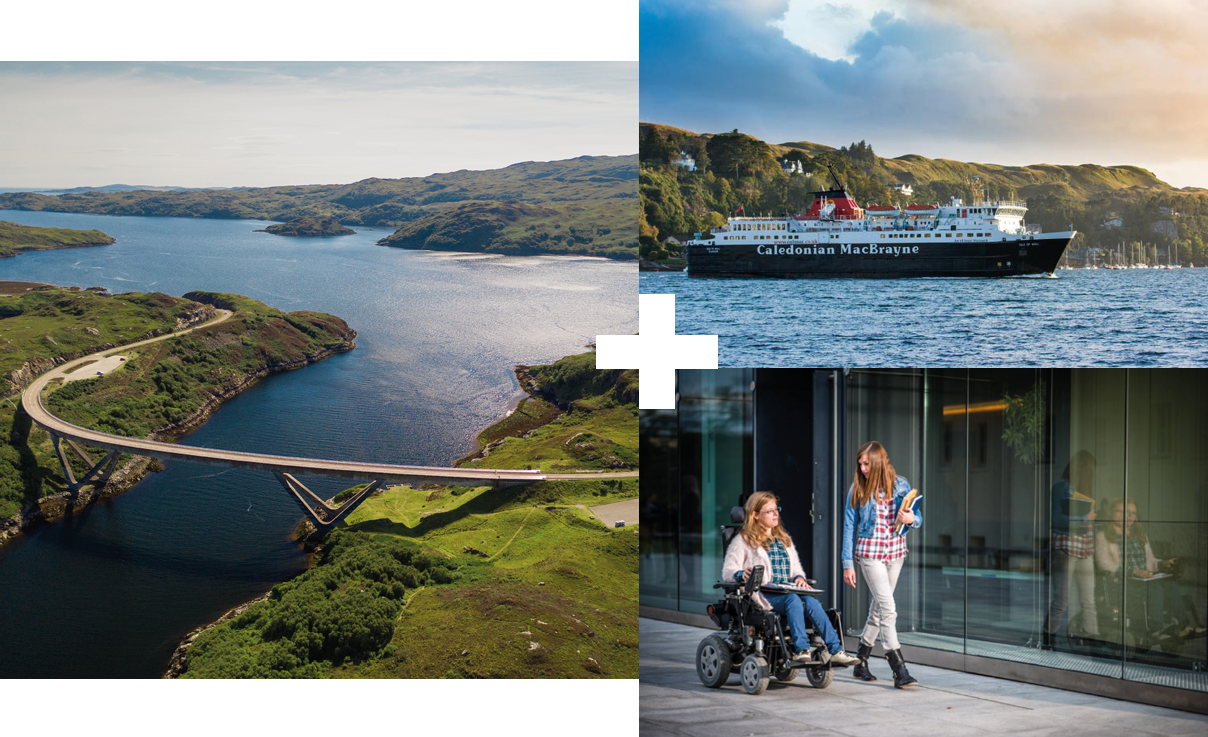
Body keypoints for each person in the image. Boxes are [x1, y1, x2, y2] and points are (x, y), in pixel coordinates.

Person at [722, 491, 859, 667]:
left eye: (776, 509)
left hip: (786, 589)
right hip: (762, 594)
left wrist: (800, 578)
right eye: (769, 511)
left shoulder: (783, 539)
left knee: (811, 602)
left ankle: (836, 651)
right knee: (793, 600)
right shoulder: (743, 540)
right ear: (755, 515)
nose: (776, 513)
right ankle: (801, 649)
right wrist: (741, 574)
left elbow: (795, 569)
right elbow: (728, 570)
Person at [842, 441, 921, 688]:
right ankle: (899, 669)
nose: (863, 468)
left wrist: (911, 519)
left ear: (878, 461)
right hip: (870, 554)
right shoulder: (858, 488)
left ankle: (861, 661)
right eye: (860, 464)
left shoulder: (901, 485)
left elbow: (916, 516)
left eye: (867, 463)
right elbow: (848, 526)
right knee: (888, 609)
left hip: (896, 553)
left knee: (878, 610)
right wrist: (847, 563)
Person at [1094, 497, 1204, 644]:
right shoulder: (1103, 536)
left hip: (1143, 580)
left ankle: (1184, 627)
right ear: (1110, 513)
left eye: (1132, 513)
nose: (1128, 516)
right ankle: (1155, 630)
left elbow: (1150, 561)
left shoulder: (1138, 534)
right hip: (1121, 583)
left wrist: (1162, 564)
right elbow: (1104, 565)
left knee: (1169, 585)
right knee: (1155, 589)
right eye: (1121, 511)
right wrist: (1133, 571)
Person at [1044, 451, 1099, 649]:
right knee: (1061, 601)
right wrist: (1084, 520)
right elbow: (1055, 519)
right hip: (1066, 547)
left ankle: (1093, 641)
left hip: (1085, 548)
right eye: (1088, 470)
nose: (1090, 474)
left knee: (1089, 601)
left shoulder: (1088, 489)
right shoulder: (1061, 486)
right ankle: (1048, 641)